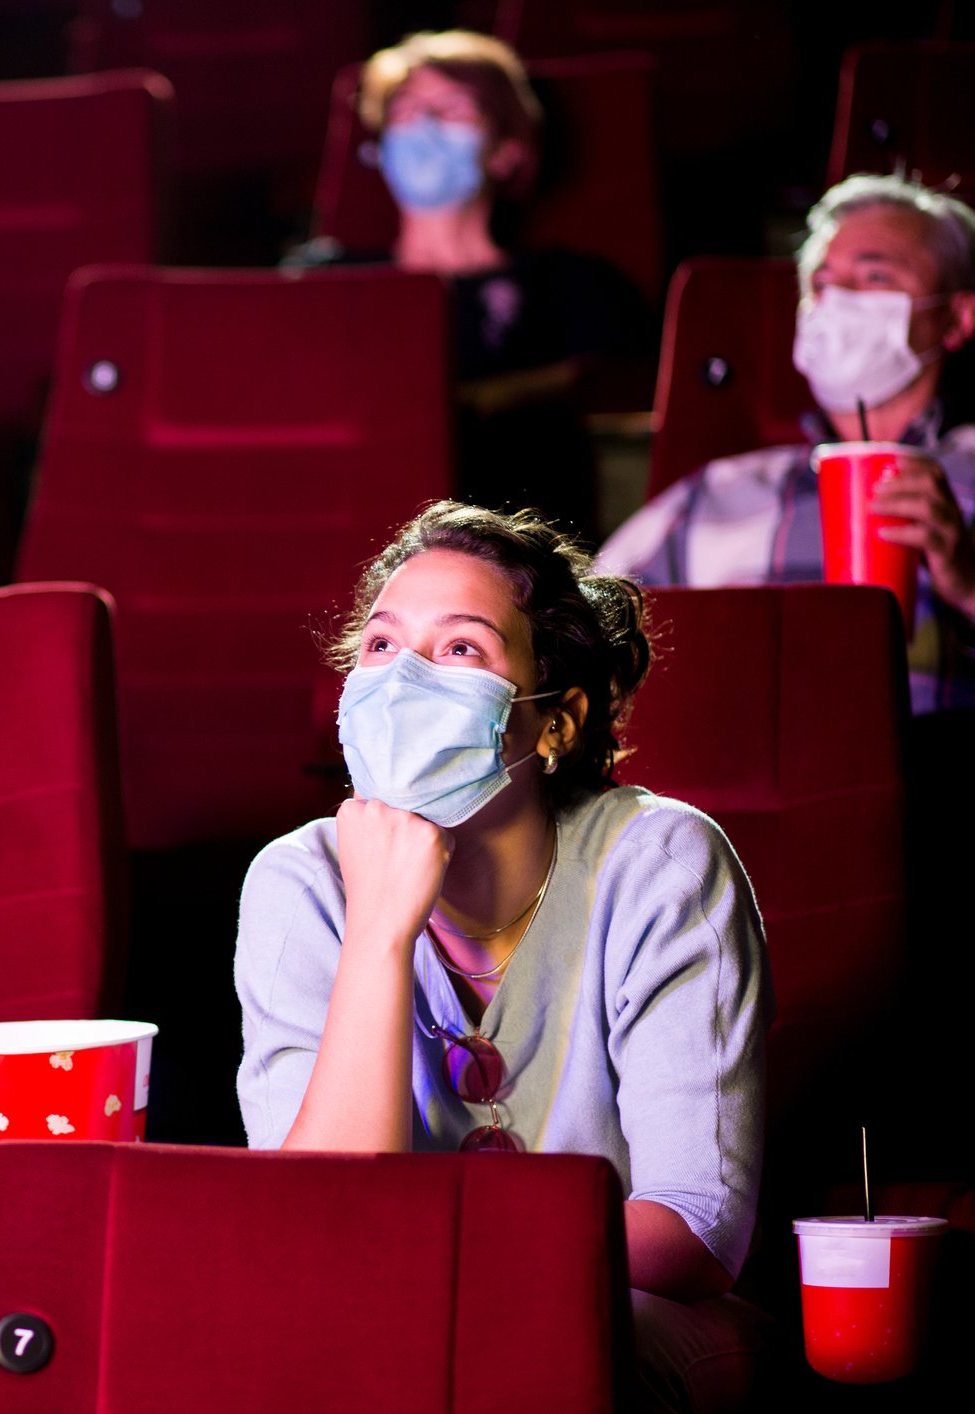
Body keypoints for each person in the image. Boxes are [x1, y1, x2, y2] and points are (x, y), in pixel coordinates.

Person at [235, 504, 771, 1412]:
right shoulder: (297, 882)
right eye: (379, 648)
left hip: (627, 1316)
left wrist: (439, 1267)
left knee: (496, 1356)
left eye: (458, 651)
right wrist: (378, 931)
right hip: (388, 1326)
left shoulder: (663, 863)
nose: (402, 681)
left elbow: (693, 1230)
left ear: (553, 722)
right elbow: (315, 1227)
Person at [599, 173, 975, 714]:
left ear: (958, 316)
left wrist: (965, 583)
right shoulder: (718, 490)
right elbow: (581, 630)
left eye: (874, 275)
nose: (838, 299)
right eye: (821, 284)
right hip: (733, 775)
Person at [291, 31, 654, 531]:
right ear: (380, 147)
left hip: (519, 544)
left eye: (453, 109)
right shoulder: (327, 283)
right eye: (406, 111)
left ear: (505, 149)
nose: (424, 126)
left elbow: (614, 390)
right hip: (355, 528)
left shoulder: (570, 284)